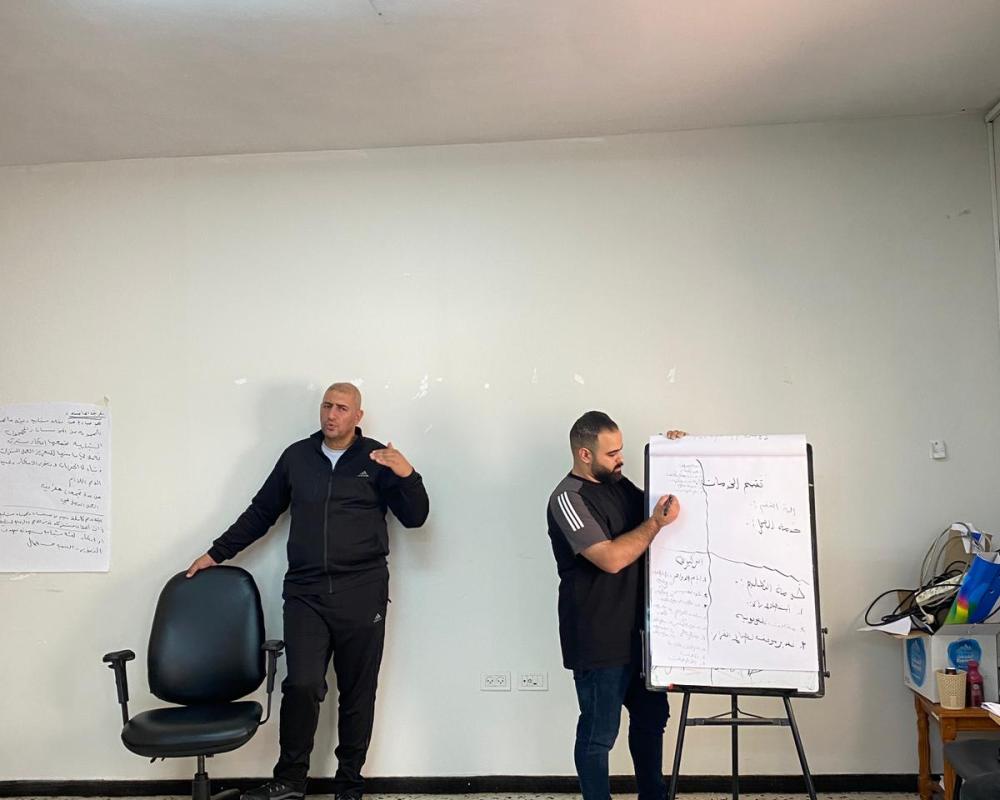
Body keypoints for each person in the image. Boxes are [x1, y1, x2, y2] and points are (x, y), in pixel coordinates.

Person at [186, 382, 429, 800]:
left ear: (358, 416)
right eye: (327, 406)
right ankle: (290, 781)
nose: (332, 414)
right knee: (301, 684)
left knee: (357, 691)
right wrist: (216, 553)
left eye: (342, 408)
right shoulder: (296, 457)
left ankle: (349, 784)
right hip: (306, 593)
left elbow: (416, 517)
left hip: (362, 592)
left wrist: (408, 474)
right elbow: (262, 512)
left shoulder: (377, 459)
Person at [546, 410, 684, 800]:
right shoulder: (567, 499)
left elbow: (666, 507)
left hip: (641, 637)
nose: (620, 459)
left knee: (651, 721)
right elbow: (610, 558)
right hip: (597, 638)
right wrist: (653, 525)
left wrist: (680, 455)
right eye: (612, 453)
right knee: (599, 734)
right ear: (584, 454)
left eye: (620, 450)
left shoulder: (620, 486)